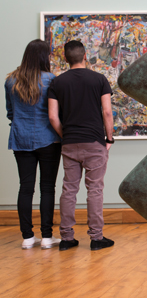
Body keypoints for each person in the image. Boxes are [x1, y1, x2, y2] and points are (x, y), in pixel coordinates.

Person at [48, 40, 115, 251]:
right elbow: (107, 112)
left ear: (66, 59)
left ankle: (67, 239)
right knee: (95, 190)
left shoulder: (57, 83)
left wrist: (65, 135)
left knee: (69, 189)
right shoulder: (99, 79)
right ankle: (96, 238)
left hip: (69, 144)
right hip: (94, 142)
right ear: (85, 56)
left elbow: (52, 117)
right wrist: (109, 139)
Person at [5, 39, 62, 249]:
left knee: (25, 188)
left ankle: (27, 237)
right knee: (47, 188)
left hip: (20, 138)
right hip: (49, 139)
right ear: (43, 57)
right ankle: (47, 237)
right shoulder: (51, 80)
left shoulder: (11, 80)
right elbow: (57, 112)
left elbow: (10, 112)